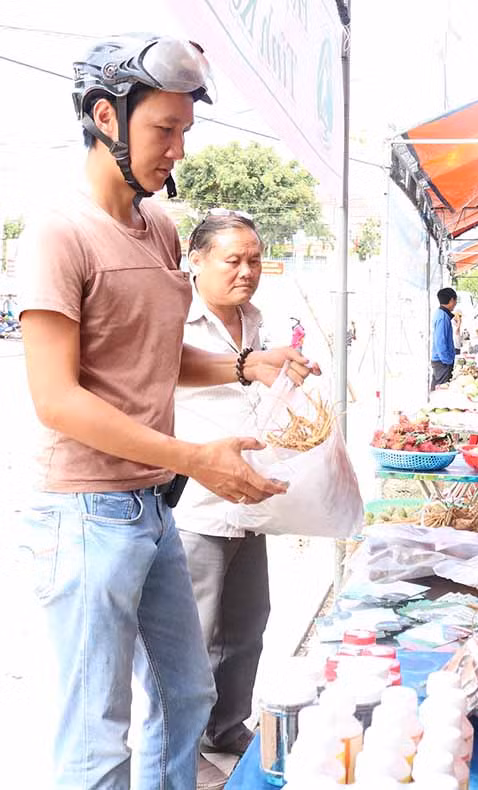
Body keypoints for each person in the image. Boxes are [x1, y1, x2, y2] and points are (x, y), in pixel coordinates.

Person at [16, 35, 317, 790]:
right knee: (98, 737)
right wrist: (194, 458)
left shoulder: (161, 228)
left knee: (188, 695)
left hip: (149, 507)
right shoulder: (58, 232)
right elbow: (56, 398)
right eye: (163, 130)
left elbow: (151, 352)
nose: (178, 150)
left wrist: (249, 363)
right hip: (85, 513)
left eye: (186, 131)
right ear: (104, 118)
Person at [174, 212, 272, 787]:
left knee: (247, 625)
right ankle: (181, 754)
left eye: (253, 259)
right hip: (196, 505)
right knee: (191, 639)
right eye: (232, 259)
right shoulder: (176, 321)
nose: (245, 271)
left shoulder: (257, 321)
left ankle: (228, 728)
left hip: (250, 500)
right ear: (197, 260)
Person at [431, 287, 457, 388]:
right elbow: (440, 342)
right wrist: (447, 361)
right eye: (455, 300)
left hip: (442, 360)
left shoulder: (442, 314)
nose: (455, 303)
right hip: (442, 362)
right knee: (441, 390)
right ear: (451, 300)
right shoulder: (442, 317)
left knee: (439, 388)